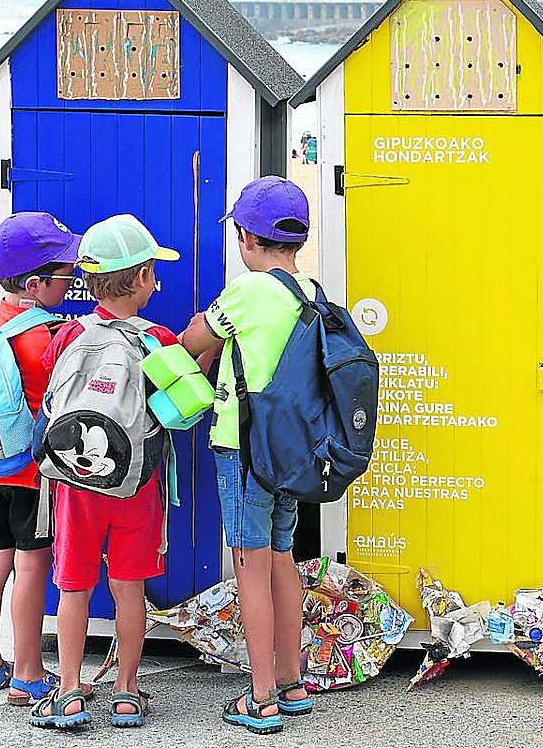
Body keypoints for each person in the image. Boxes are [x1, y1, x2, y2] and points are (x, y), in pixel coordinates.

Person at [28, 214, 180, 730]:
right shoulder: (156, 338)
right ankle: (126, 691)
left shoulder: (70, 331)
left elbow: (50, 386)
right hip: (136, 486)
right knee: (128, 588)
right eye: (153, 272)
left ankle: (69, 691)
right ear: (140, 280)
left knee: (73, 587)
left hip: (73, 484)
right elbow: (181, 406)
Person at [179, 176, 316, 736]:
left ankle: (260, 698)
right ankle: (292, 682)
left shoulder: (245, 290)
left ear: (245, 237)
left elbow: (192, 341)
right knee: (283, 558)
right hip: (292, 451)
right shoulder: (311, 291)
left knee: (249, 565)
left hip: (243, 448)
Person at [0, 212, 86, 705]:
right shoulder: (47, 337)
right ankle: (28, 671)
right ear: (36, 284)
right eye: (65, 275)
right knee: (31, 567)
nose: (72, 280)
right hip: (30, 477)